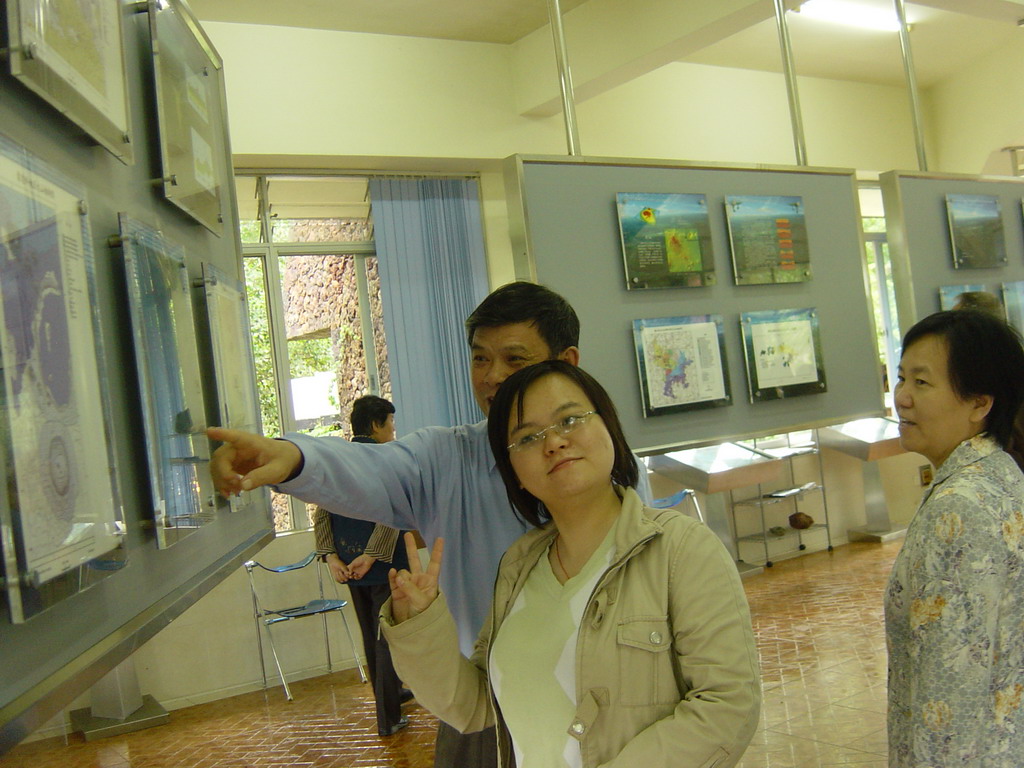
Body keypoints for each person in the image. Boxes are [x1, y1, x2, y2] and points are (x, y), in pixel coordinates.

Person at [207, 281, 652, 767]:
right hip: (486, 708)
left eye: (514, 360)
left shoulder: (607, 460)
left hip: (610, 706)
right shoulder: (447, 458)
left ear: (566, 362)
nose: (491, 377)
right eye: (480, 359)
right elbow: (372, 470)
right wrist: (293, 458)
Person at [381, 360, 760, 767]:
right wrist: (420, 624)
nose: (554, 442)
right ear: (515, 473)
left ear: (608, 428)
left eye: (571, 419)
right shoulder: (518, 565)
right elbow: (474, 706)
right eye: (527, 438)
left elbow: (727, 704)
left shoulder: (682, 550)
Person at [886, 309, 1024, 766]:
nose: (902, 397)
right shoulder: (997, 472)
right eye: (901, 377)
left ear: (979, 404)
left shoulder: (959, 508)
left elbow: (951, 682)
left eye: (922, 383)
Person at [311, 395, 412, 737]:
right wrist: (372, 556)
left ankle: (394, 694)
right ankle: (389, 717)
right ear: (375, 425)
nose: (393, 433)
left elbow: (321, 512)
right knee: (388, 638)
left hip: (350, 567)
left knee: (373, 639)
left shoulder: (337, 460)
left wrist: (332, 558)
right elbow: (393, 512)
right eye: (390, 425)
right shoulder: (385, 460)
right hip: (380, 566)